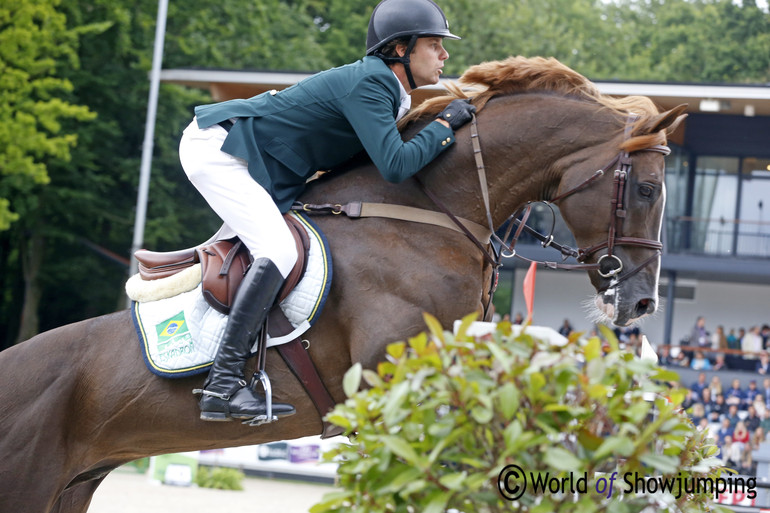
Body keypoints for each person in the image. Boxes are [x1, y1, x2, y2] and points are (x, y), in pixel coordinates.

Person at [181, 0, 475, 422]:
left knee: (270, 248)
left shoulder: (391, 93)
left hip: (255, 162)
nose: (444, 54)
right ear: (399, 50)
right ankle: (222, 385)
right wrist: (445, 127)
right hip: (222, 150)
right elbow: (394, 166)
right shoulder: (372, 84)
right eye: (434, 44)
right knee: (279, 251)